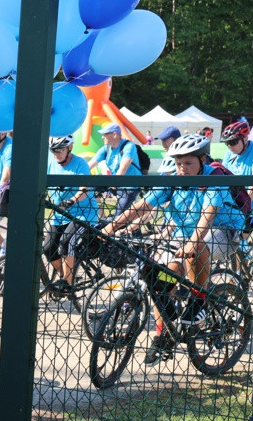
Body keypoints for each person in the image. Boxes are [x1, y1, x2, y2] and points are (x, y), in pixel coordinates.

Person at [101, 134, 244, 364]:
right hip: (184, 237)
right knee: (159, 277)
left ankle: (201, 300)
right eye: (178, 163)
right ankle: (164, 333)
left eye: (188, 163)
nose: (182, 169)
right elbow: (142, 206)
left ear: (203, 159)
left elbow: (208, 217)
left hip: (222, 232)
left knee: (197, 250)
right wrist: (110, 227)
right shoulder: (173, 180)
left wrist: (193, 241)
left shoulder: (213, 178)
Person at [44, 135, 98, 289]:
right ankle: (66, 277)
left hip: (84, 214)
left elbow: (85, 189)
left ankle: (68, 284)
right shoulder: (50, 163)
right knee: (47, 249)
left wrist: (72, 200)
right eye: (53, 151)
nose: (56, 154)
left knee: (67, 242)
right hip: (59, 215)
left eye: (59, 150)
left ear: (70, 148)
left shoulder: (80, 164)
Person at [87, 123, 143, 216]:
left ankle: (113, 224)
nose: (102, 137)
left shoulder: (129, 146)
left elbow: (122, 169)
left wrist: (112, 184)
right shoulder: (106, 148)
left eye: (105, 134)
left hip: (130, 186)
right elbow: (89, 165)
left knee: (118, 218)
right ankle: (102, 219)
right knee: (87, 190)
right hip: (114, 183)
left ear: (114, 135)